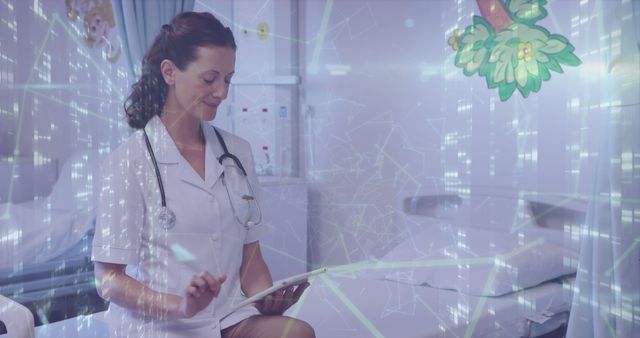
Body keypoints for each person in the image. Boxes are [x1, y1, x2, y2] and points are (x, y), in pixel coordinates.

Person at [92, 12, 315, 338]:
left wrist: (266, 299)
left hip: (228, 318)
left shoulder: (237, 153)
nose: (222, 92)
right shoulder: (129, 161)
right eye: (210, 79)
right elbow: (108, 280)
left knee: (296, 333)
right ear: (169, 72)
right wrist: (180, 305)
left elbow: (250, 257)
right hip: (161, 325)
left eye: (228, 79)